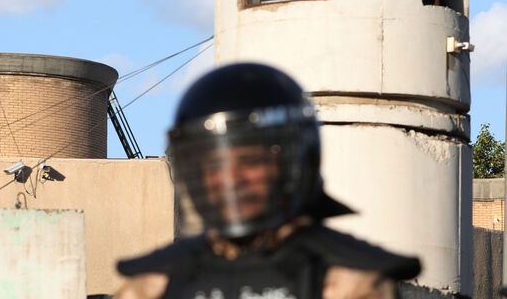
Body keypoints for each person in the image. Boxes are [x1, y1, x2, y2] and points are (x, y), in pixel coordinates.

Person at [115, 63, 421, 299]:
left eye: (250, 162)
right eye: (214, 166)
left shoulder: (350, 281)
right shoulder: (154, 284)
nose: (231, 179)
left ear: (290, 164)